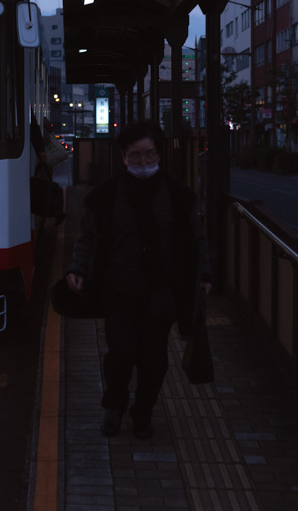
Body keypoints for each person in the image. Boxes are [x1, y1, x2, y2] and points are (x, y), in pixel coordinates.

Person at [64, 120, 213, 439]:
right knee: (120, 353)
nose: (143, 162)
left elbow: (196, 240)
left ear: (159, 154)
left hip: (161, 293)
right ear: (123, 156)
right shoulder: (106, 196)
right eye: (135, 155)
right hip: (117, 290)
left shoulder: (178, 196)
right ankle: (114, 405)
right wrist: (78, 269)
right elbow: (88, 238)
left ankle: (143, 412)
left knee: (154, 360)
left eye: (149, 155)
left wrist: (204, 276)